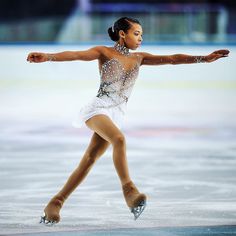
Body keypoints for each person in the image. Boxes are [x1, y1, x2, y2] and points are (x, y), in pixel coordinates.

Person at [27, 16, 229, 225]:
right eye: (136, 33)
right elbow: (77, 54)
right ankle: (129, 191)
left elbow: (172, 58)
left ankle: (56, 203)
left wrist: (204, 58)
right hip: (98, 109)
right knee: (119, 140)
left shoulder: (139, 58)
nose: (140, 38)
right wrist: (48, 56)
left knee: (89, 159)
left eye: (141, 34)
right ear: (122, 34)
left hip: (117, 114)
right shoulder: (104, 52)